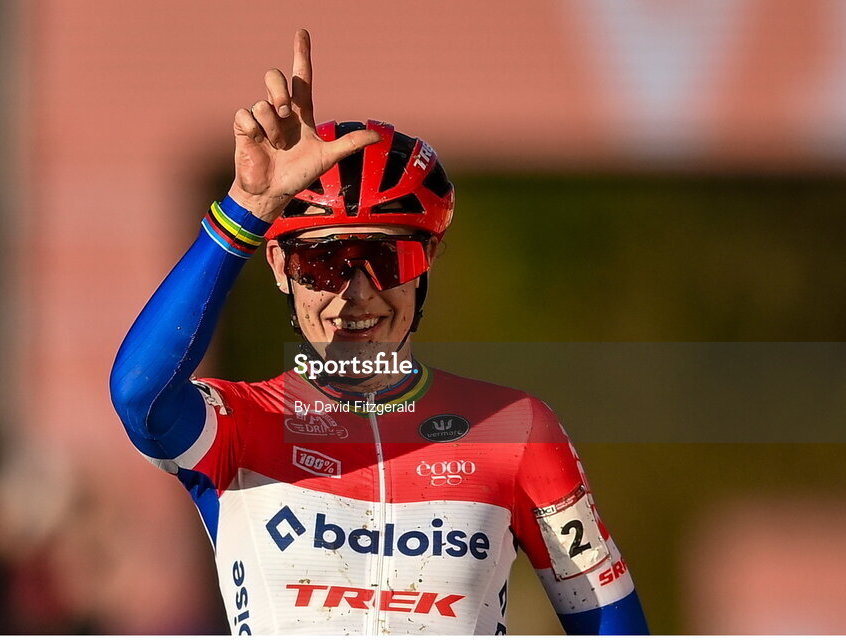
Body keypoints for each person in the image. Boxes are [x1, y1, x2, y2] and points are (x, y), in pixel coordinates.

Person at [110, 29, 648, 635]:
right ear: (280, 270)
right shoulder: (237, 425)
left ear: (430, 261)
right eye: (321, 262)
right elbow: (138, 391)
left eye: (386, 260)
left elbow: (614, 627)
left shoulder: (519, 430)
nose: (355, 293)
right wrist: (247, 208)